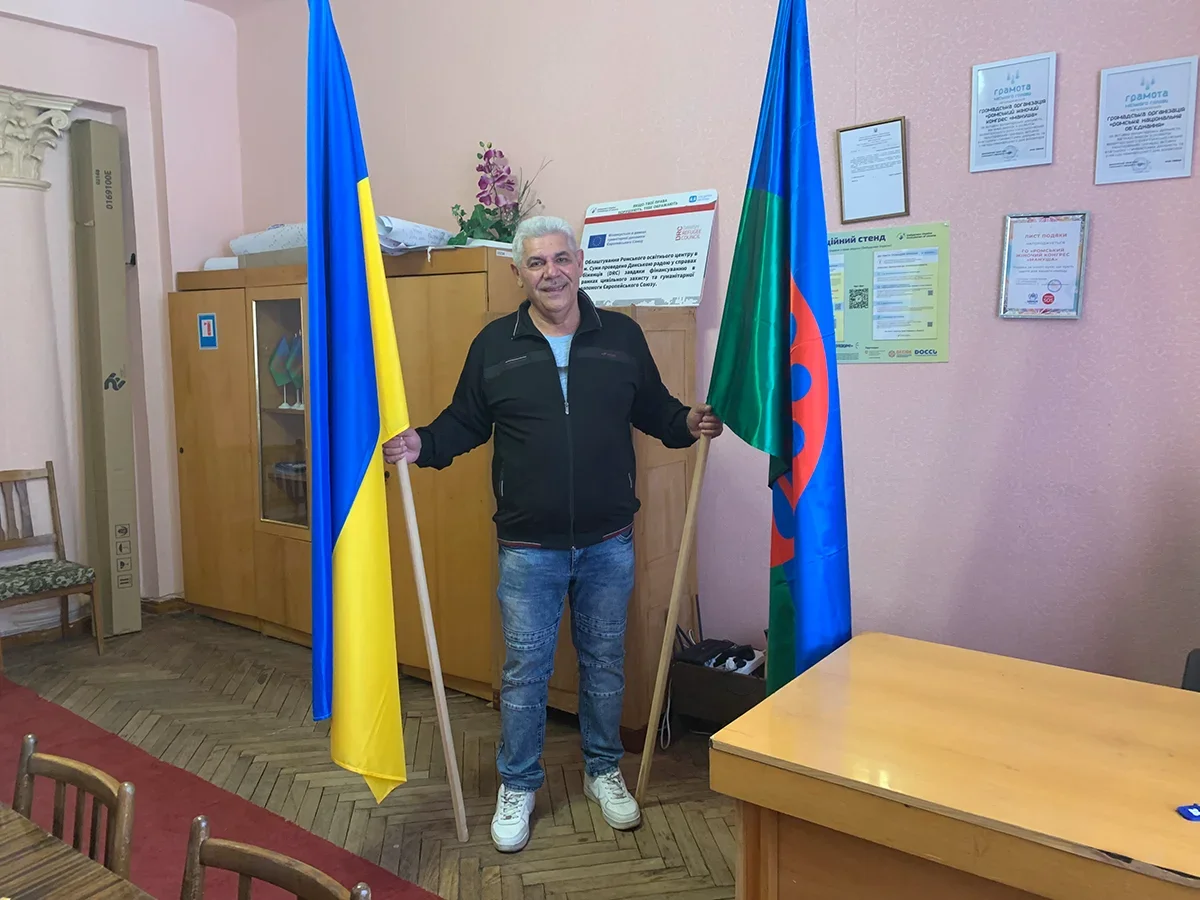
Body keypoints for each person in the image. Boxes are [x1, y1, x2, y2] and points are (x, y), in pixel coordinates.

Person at [383, 215, 723, 852]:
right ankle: (518, 784)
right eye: (537, 263)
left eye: (561, 259)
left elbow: (656, 409)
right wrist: (423, 443)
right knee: (524, 673)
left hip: (608, 541)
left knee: (604, 664)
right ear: (520, 272)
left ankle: (603, 771)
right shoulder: (495, 345)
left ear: (579, 264)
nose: (551, 273)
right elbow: (464, 421)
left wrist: (689, 421)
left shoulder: (620, 337)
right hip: (528, 548)